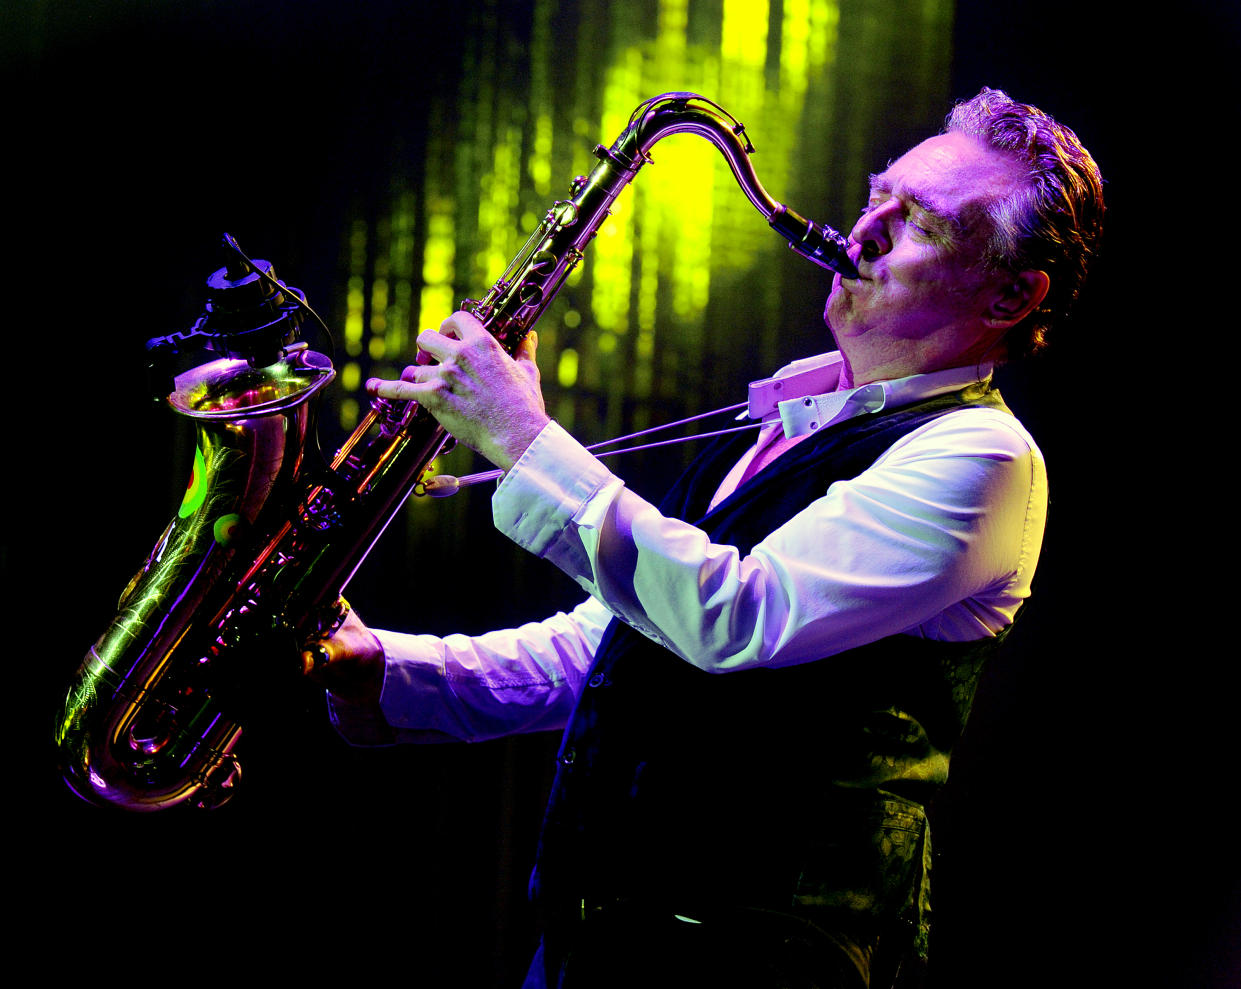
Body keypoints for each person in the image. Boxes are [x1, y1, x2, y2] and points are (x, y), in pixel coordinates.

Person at [310, 88, 1104, 987]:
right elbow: (619, 643)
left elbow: (735, 615)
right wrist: (380, 667)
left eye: (918, 220)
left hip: (763, 960)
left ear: (1010, 291)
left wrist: (521, 436)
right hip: (600, 939)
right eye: (878, 194)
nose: (867, 228)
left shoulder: (986, 456)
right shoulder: (787, 409)